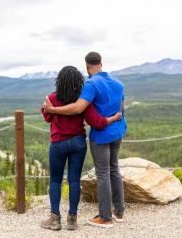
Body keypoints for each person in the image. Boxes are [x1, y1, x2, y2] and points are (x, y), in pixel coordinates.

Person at [44, 52, 126, 229]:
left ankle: (58, 218)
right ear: (101, 63)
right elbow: (113, 112)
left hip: (71, 141)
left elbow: (56, 114)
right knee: (85, 177)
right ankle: (110, 213)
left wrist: (52, 109)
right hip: (95, 138)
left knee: (58, 179)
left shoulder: (56, 97)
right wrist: (115, 118)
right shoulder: (115, 84)